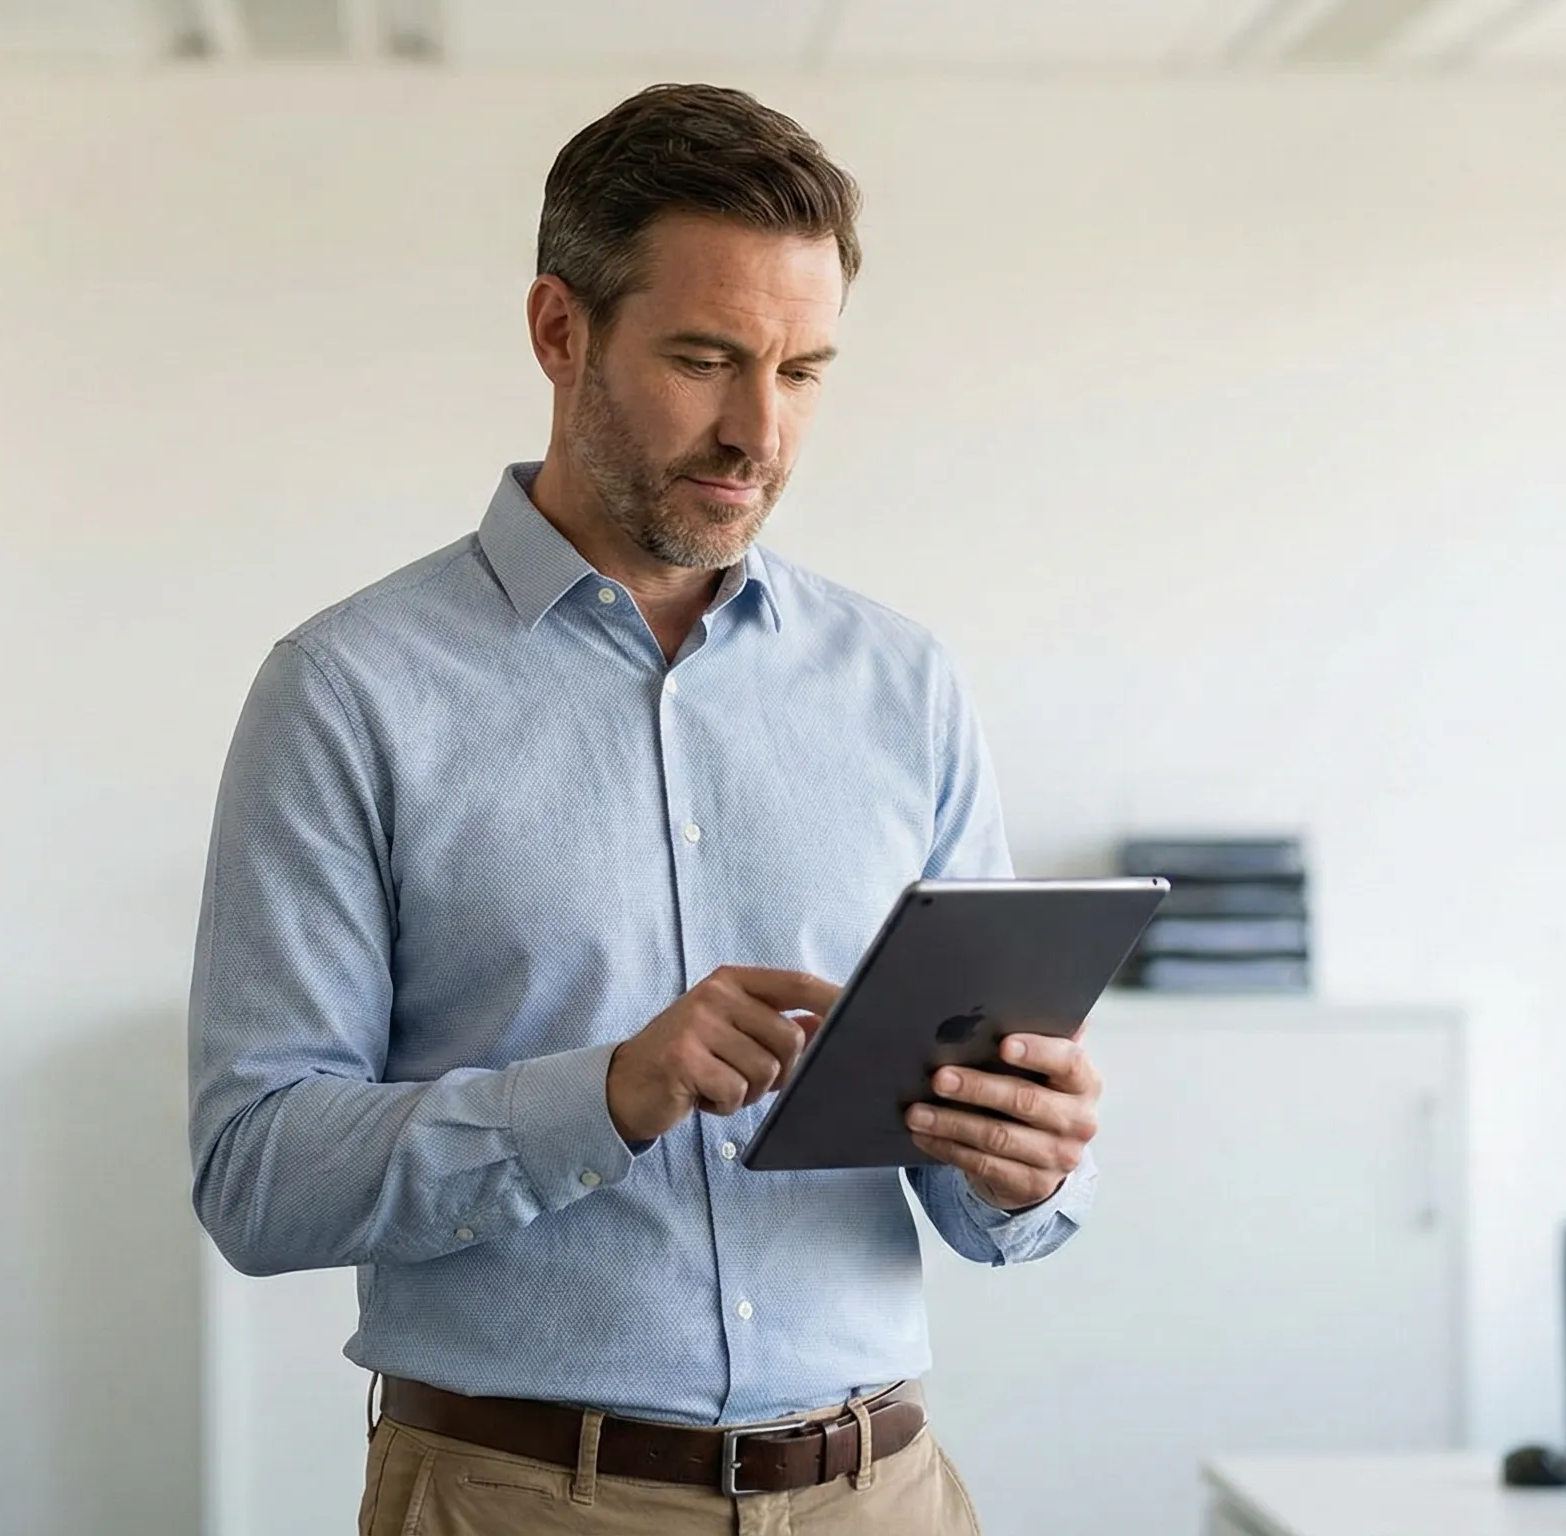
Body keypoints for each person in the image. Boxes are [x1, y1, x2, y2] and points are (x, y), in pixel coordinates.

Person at [188, 82, 1104, 1535]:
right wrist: (606, 1095)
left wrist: (1020, 1163)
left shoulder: (903, 683)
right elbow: (256, 1177)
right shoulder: (347, 692)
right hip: (523, 1501)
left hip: (882, 1493)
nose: (758, 431)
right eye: (704, 359)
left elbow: (990, 1195)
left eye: (803, 372)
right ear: (560, 331)